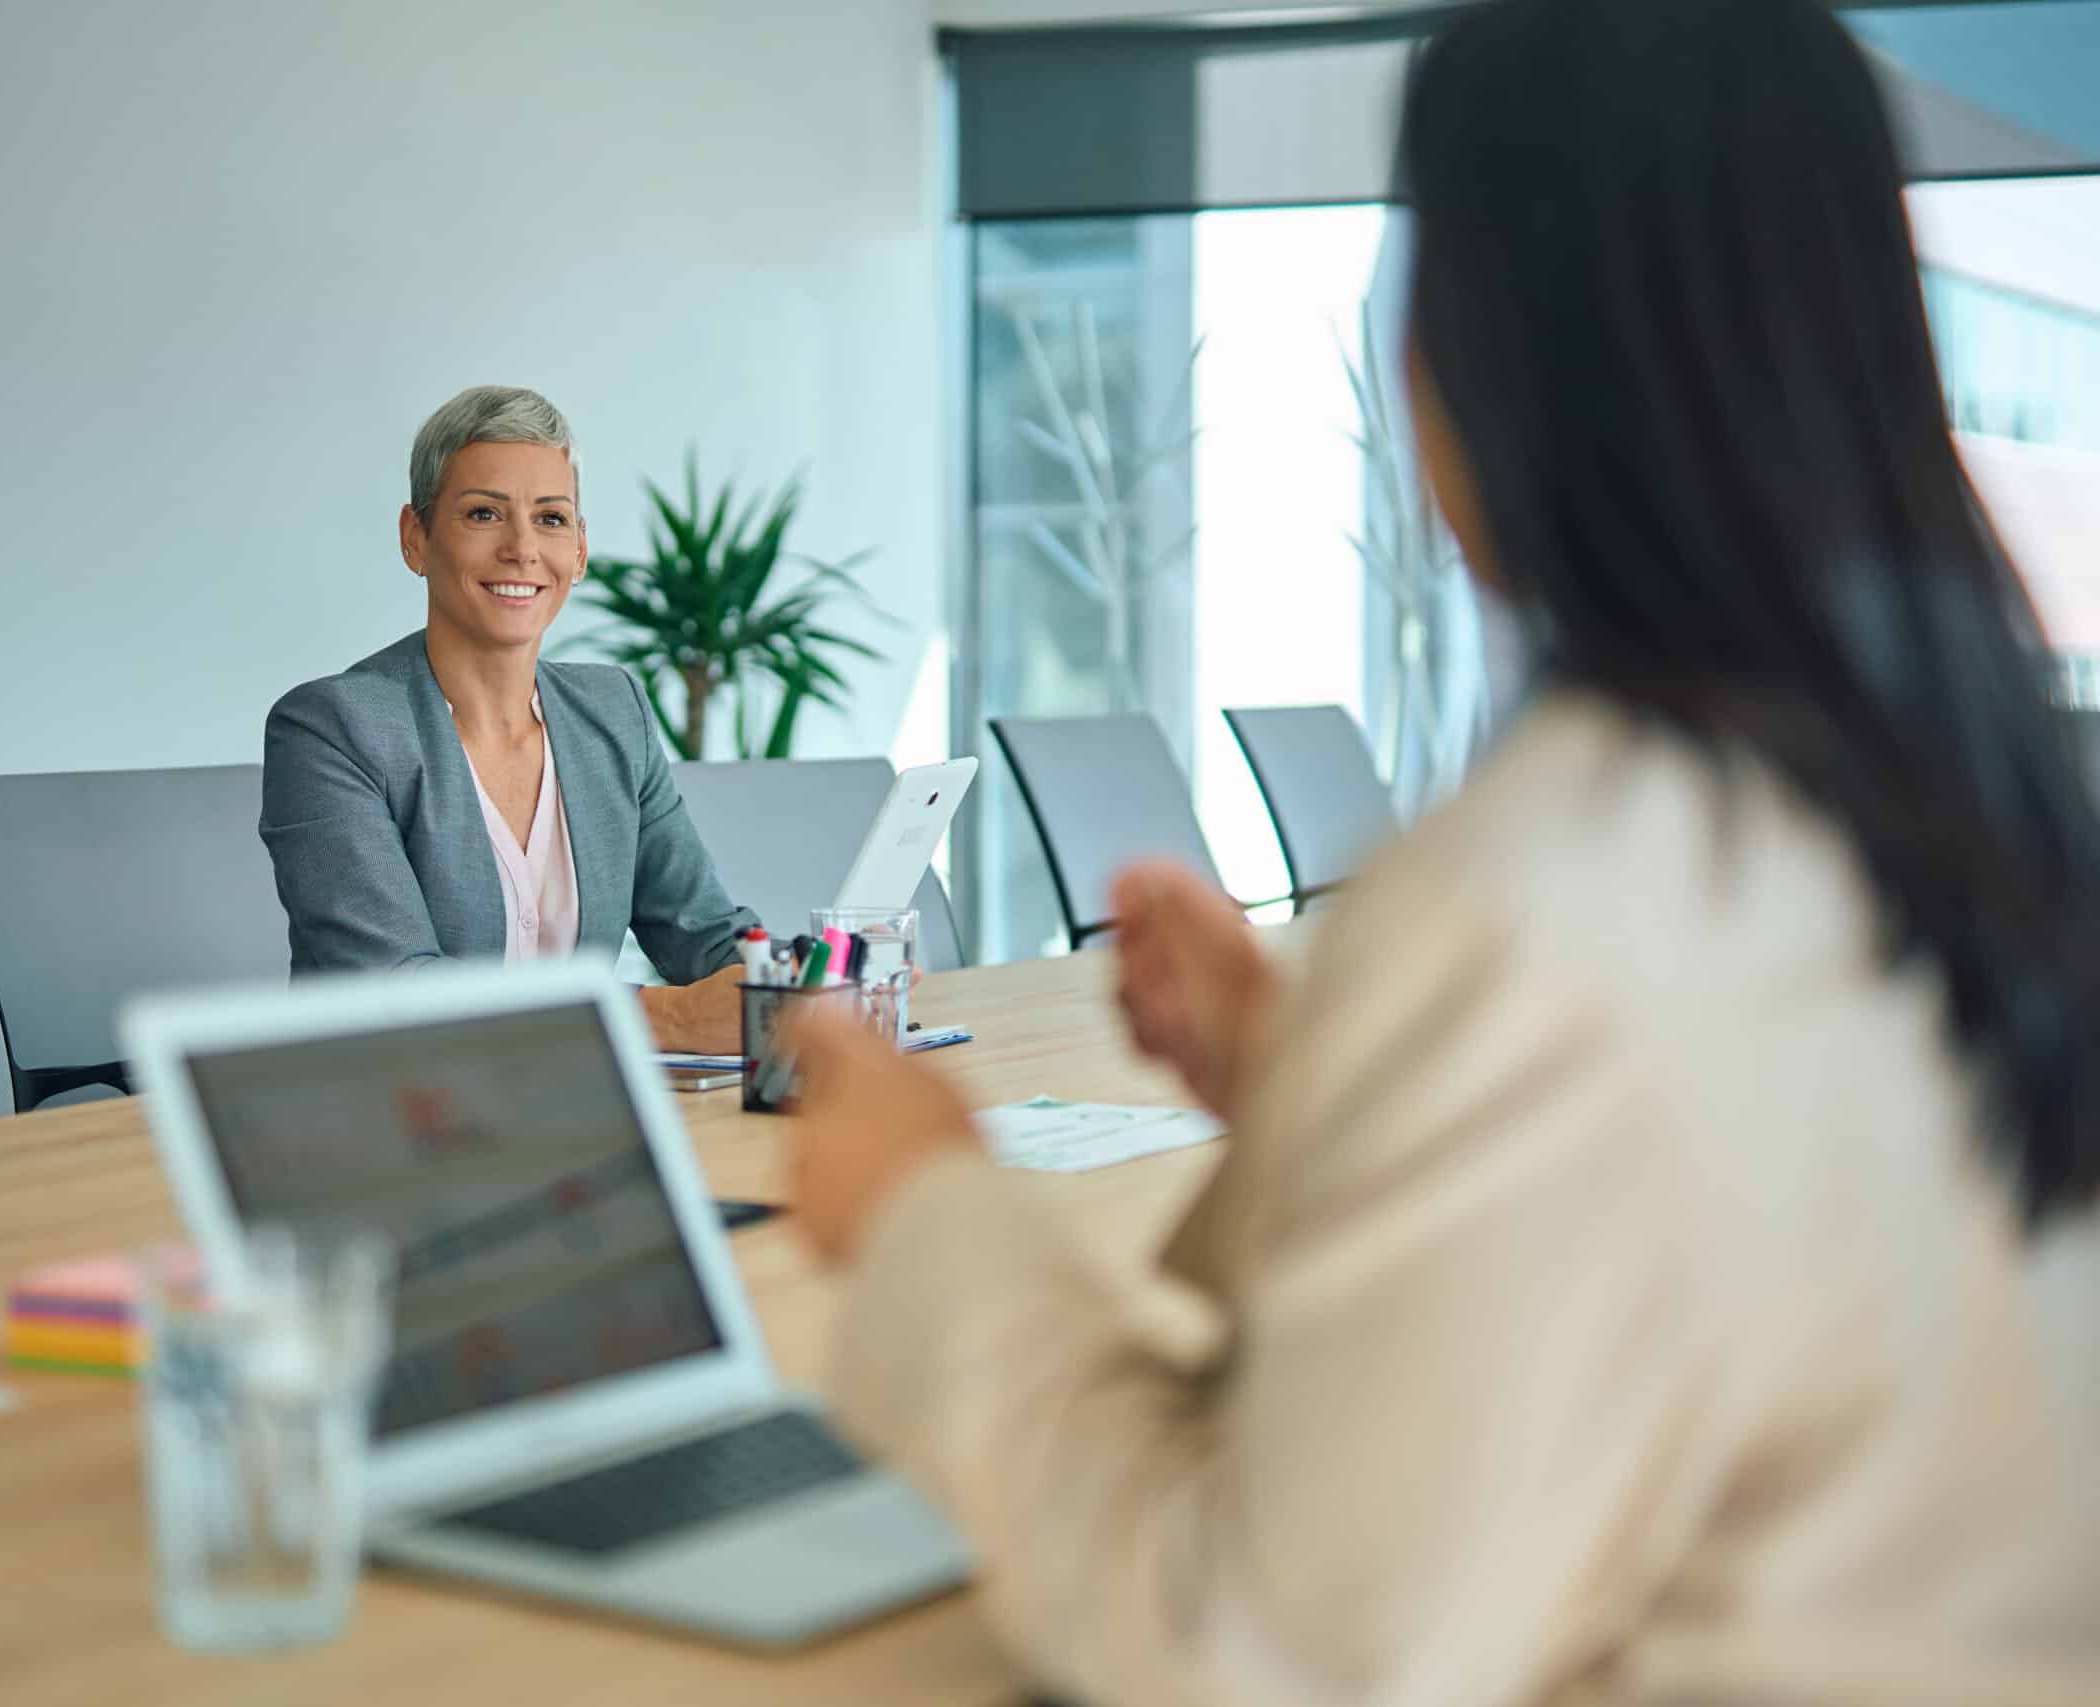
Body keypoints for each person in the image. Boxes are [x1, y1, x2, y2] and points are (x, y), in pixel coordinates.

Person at [787, 0, 2100, 1699]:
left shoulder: (1558, 891)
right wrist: (1305, 1073)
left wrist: (925, 1211)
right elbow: (1674, 1247)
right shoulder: (1975, 813)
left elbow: (1256, 1651)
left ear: (1464, 355)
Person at [262, 385, 754, 1053]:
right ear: (415, 537)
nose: (522, 548)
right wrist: (671, 1018)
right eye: (484, 513)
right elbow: (395, 989)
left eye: (551, 518)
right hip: (387, 1102)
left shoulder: (614, 713)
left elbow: (706, 935)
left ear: (579, 550)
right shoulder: (332, 729)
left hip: (576, 1099)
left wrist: (800, 986)